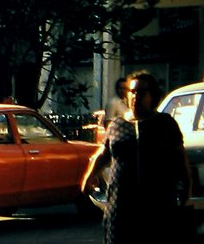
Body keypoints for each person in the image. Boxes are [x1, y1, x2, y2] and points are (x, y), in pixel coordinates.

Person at [82, 71, 192, 243]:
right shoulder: (117, 125)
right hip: (121, 202)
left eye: (142, 92)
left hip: (157, 201)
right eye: (132, 92)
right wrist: (89, 177)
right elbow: (104, 154)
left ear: (152, 95)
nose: (136, 96)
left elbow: (179, 157)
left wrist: (186, 186)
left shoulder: (165, 123)